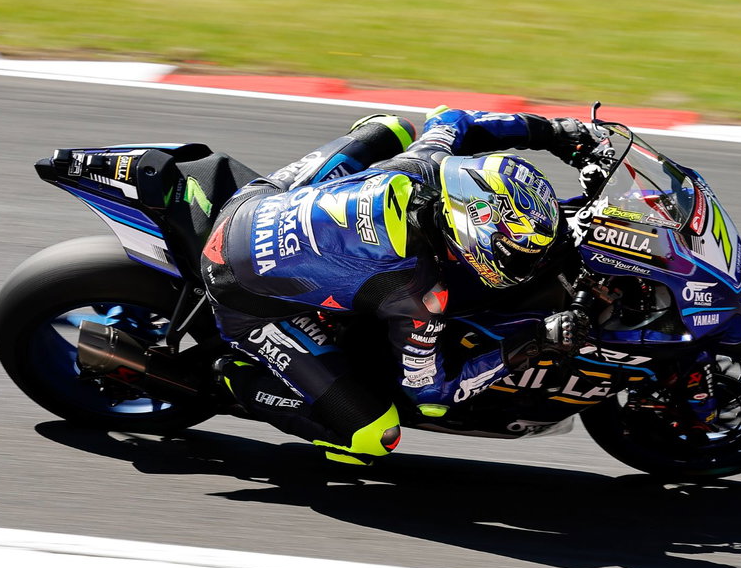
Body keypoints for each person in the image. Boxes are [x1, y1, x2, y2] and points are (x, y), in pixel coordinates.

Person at [199, 109, 596, 466]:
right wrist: (534, 341)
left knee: (393, 128)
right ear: (472, 231)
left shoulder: (427, 162)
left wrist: (555, 132)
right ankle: (234, 378)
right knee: (372, 436)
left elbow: (451, 119)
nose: (529, 264)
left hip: (255, 200)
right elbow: (432, 393)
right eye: (520, 255)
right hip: (239, 291)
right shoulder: (417, 293)